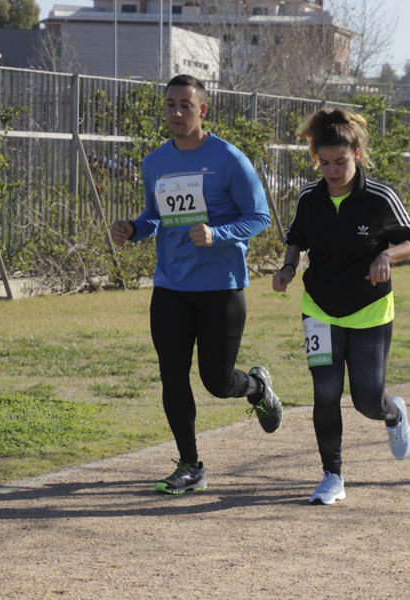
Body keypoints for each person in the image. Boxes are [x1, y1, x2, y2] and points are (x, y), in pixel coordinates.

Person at [110, 74, 282, 495]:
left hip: (220, 286)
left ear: (202, 110)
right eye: (170, 104)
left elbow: (259, 216)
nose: (177, 112)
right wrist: (134, 228)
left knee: (216, 381)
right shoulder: (155, 162)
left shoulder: (228, 158)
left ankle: (257, 387)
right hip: (171, 284)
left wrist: (218, 234)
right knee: (172, 376)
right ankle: (190, 465)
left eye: (186, 105)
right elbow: (156, 216)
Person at [272, 108, 410, 505]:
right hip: (319, 307)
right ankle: (331, 476)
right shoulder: (310, 196)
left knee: (366, 400)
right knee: (325, 392)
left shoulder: (379, 197)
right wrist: (287, 267)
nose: (333, 171)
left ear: (356, 153)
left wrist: (387, 256)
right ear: (315, 158)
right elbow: (297, 238)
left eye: (340, 161)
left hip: (369, 309)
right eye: (324, 163)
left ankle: (394, 414)